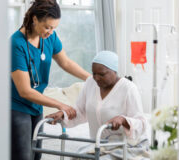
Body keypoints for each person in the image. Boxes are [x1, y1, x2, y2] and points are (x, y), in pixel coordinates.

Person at [10, 0, 91, 160]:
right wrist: (60, 104)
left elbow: (66, 62)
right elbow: (24, 90)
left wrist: (91, 78)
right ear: (34, 19)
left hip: (36, 108)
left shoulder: (49, 37)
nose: (50, 32)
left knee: (37, 156)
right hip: (16, 107)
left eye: (54, 28)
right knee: (23, 156)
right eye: (47, 27)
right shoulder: (15, 44)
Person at [47, 51, 150, 160]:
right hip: (99, 145)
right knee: (77, 158)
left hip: (127, 145)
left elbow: (141, 123)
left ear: (114, 71)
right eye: (94, 73)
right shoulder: (90, 83)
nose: (96, 78)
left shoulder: (128, 88)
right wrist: (63, 114)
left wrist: (123, 120)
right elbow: (80, 111)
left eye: (102, 74)